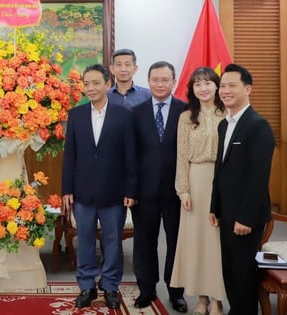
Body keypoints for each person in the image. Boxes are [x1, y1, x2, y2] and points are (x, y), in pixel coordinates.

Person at [61, 64, 137, 309]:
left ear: (107, 84)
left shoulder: (124, 115)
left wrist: (130, 190)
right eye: (86, 84)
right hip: (82, 191)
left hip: (114, 192)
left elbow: (130, 157)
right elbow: (69, 154)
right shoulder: (76, 115)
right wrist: (66, 189)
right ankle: (86, 286)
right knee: (83, 240)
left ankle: (110, 285)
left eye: (95, 83)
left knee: (112, 241)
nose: (90, 88)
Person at [210, 64, 275, 315]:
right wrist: (214, 207)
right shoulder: (224, 124)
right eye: (222, 86)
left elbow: (259, 178)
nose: (225, 91)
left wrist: (245, 217)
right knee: (230, 271)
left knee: (243, 274)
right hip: (226, 213)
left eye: (232, 85)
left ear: (248, 89)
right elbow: (220, 170)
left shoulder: (258, 126)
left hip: (245, 217)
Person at [132, 61, 187, 313]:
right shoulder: (137, 112)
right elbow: (131, 155)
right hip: (144, 191)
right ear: (149, 80)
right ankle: (147, 289)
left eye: (165, 79)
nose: (160, 84)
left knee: (177, 242)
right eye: (155, 79)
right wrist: (130, 191)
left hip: (177, 191)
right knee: (144, 242)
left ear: (174, 81)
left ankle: (176, 291)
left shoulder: (186, 112)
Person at [170, 67, 226, 315]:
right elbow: (181, 156)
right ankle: (202, 299)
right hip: (195, 180)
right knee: (197, 243)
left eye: (208, 83)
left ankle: (218, 299)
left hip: (222, 179)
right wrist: (183, 190)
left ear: (217, 86)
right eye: (197, 84)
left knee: (217, 243)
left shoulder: (226, 113)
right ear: (192, 89)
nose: (203, 88)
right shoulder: (186, 117)